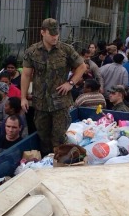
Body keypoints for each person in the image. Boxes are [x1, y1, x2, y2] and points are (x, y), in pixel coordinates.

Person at [21, 18, 87, 155]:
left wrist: (70, 83)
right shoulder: (32, 52)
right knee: (43, 138)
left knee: (58, 138)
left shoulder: (66, 50)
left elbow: (82, 66)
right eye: (51, 34)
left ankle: (60, 165)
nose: (55, 37)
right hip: (41, 103)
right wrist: (23, 98)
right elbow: (26, 75)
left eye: (56, 34)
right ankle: (47, 164)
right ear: (42, 32)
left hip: (60, 102)